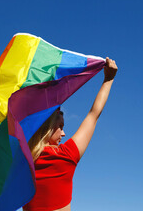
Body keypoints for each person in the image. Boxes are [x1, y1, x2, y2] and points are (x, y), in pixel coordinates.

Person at [23, 57, 118, 211]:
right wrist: (108, 79)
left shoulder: (21, 162)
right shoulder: (65, 156)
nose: (64, 133)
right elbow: (93, 115)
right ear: (46, 127)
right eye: (60, 126)